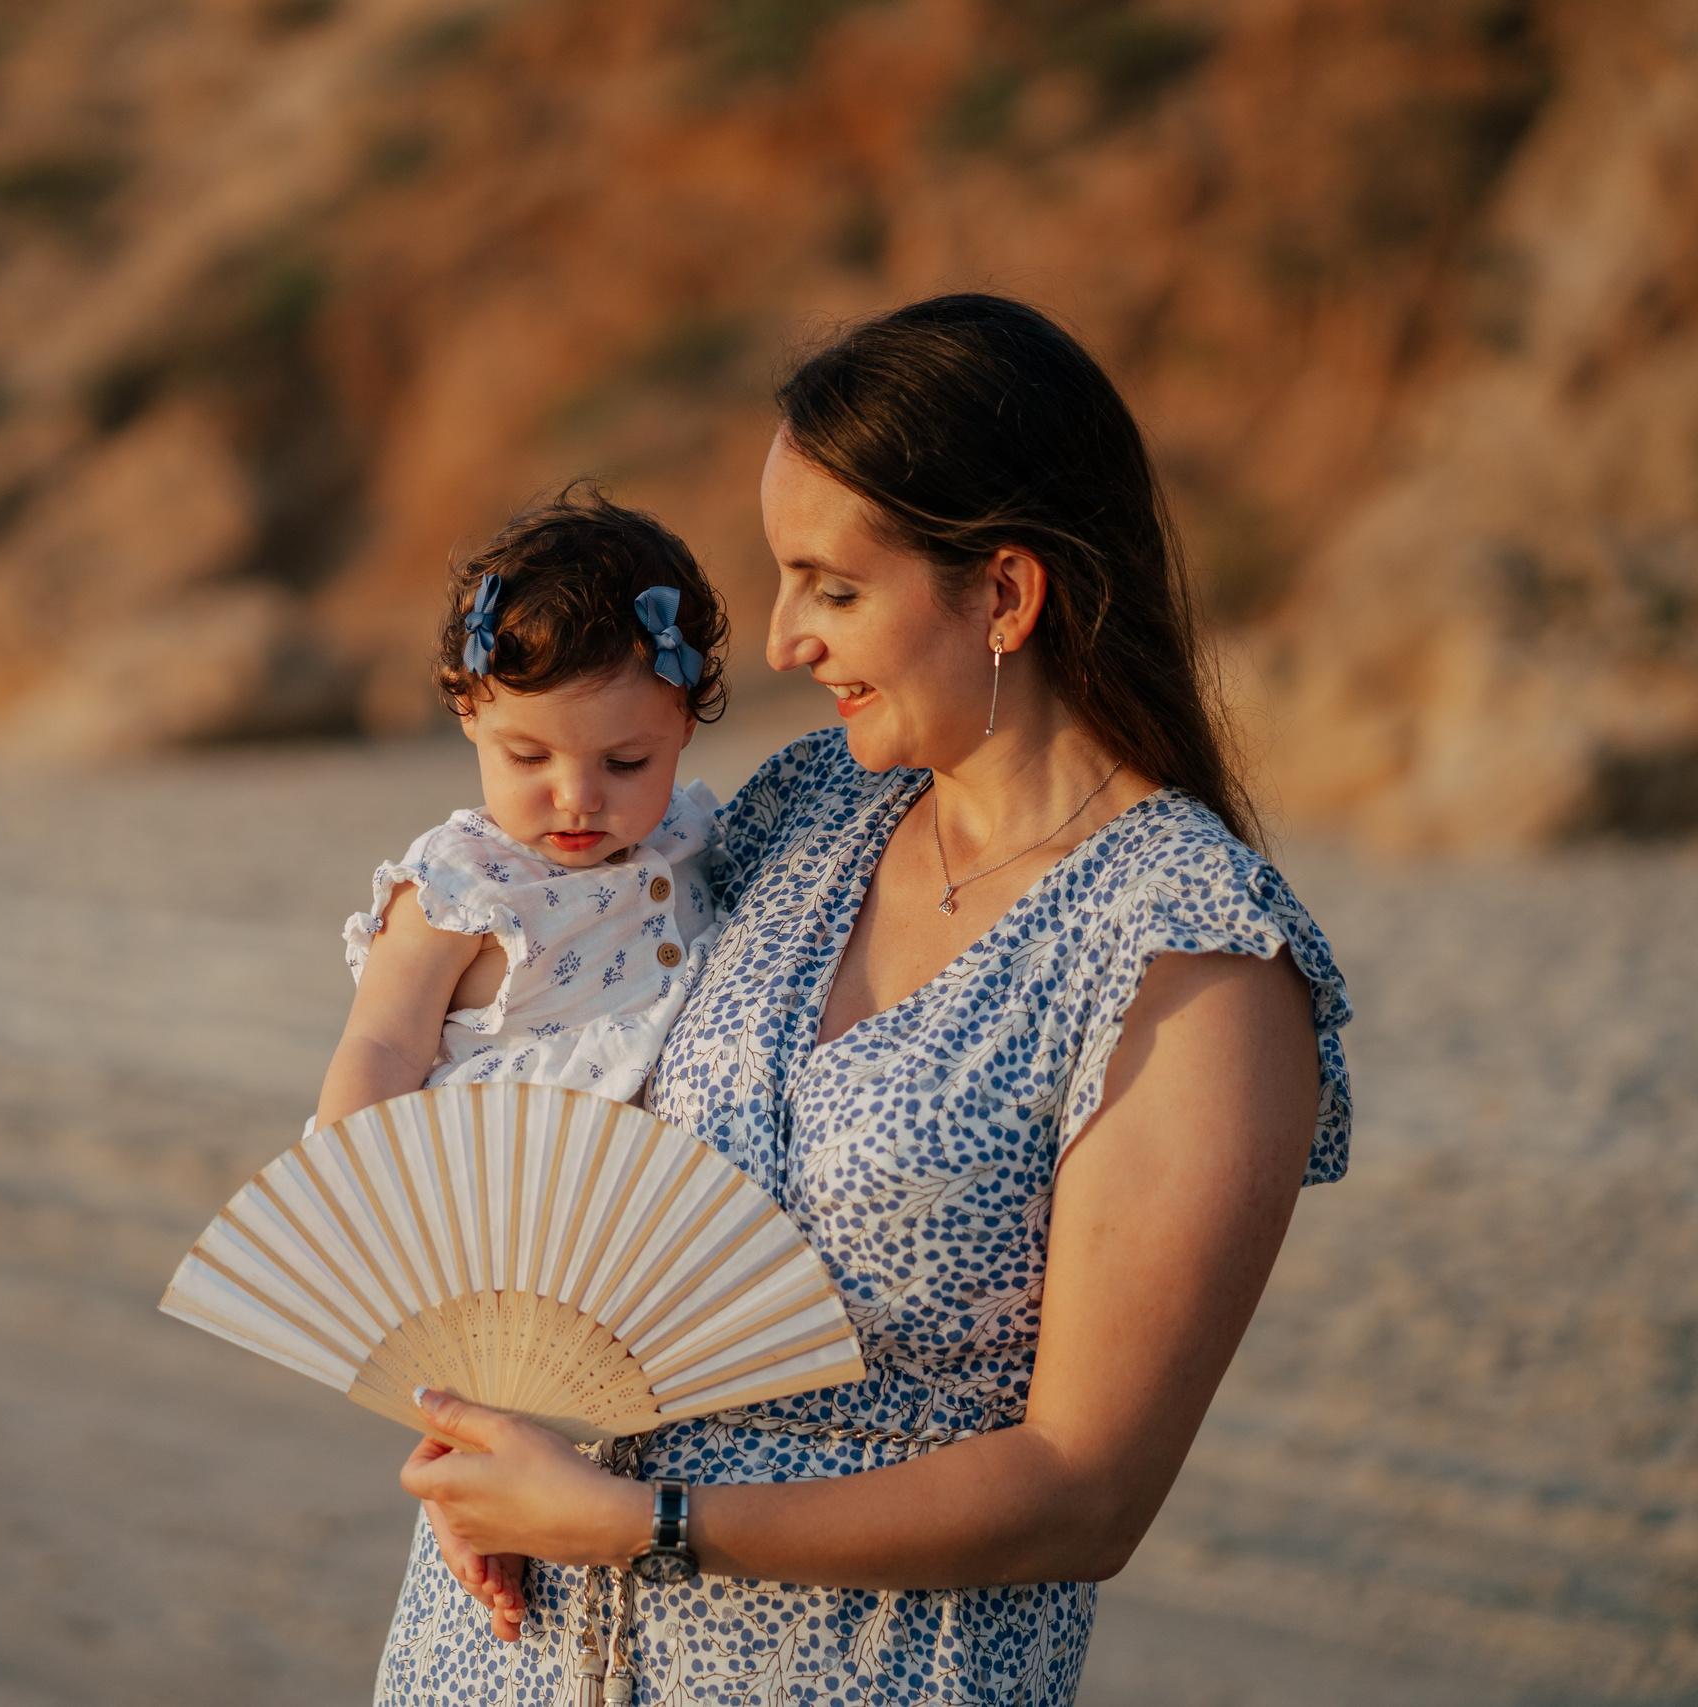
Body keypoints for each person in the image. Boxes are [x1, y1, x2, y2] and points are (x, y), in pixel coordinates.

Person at [377, 294, 1354, 1707]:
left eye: (831, 586)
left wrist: (646, 1527)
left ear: (1004, 595)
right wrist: (477, 1426)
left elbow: (1087, 1492)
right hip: (500, 1652)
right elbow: (542, 1061)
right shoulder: (802, 810)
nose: (780, 642)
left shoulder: (1191, 963)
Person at [312, 488, 734, 1134]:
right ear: (468, 709)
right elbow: (382, 1047)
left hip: (652, 1204)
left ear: (684, 724)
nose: (578, 798)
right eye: (531, 758)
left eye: (625, 764)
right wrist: (344, 1185)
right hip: (490, 1193)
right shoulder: (456, 889)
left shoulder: (693, 837)